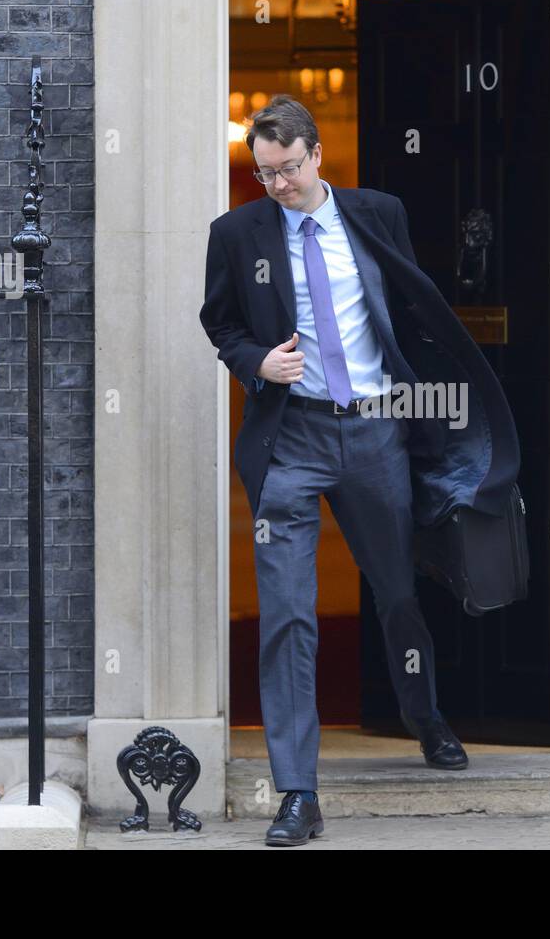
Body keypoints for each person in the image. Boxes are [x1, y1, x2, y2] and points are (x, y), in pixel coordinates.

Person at [200, 94, 519, 846]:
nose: (274, 185)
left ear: (315, 154)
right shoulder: (236, 232)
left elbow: (410, 311)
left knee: (397, 590)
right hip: (292, 440)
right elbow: (221, 321)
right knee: (286, 612)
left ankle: (424, 716)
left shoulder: (377, 213)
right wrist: (257, 362)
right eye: (262, 172)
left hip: (376, 431)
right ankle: (298, 792)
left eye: (285, 169)